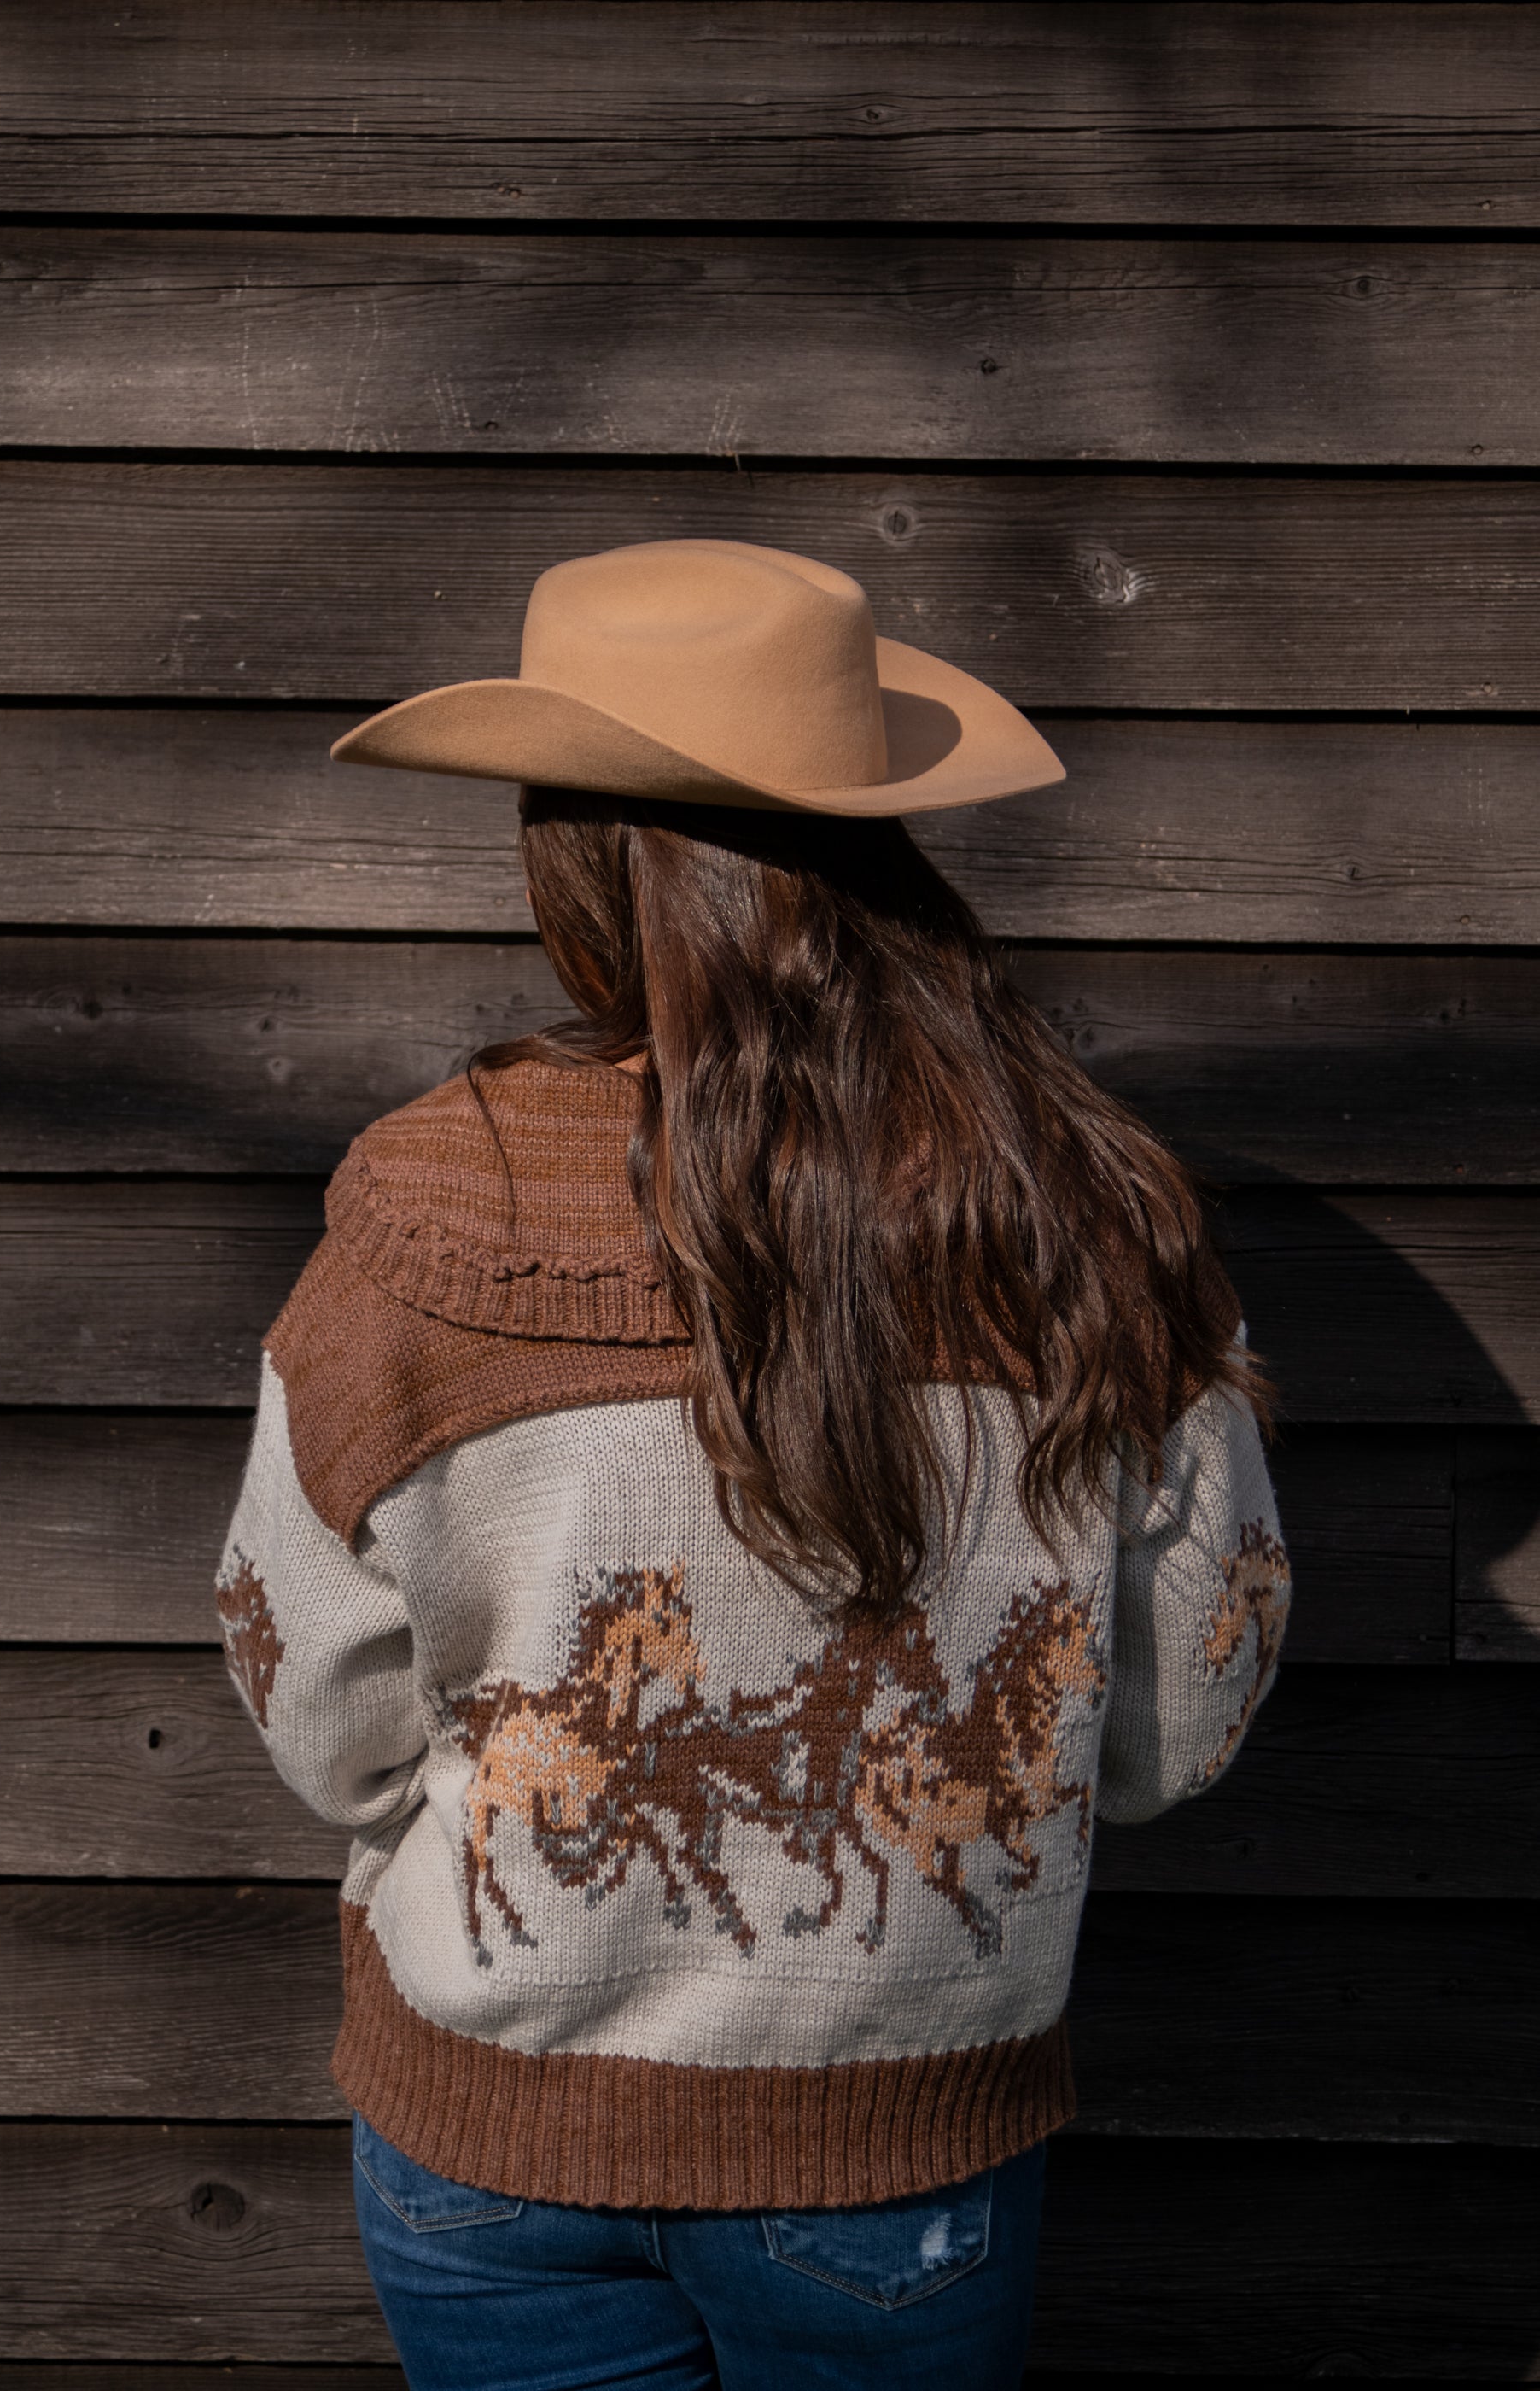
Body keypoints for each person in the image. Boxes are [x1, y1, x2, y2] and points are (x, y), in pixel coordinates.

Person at [214, 539, 1292, 2391]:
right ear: (883, 842)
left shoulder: (421, 1206)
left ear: (569, 858)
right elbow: (1178, 1722)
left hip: (493, 2146)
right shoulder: (1088, 1208)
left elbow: (317, 1714)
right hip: (892, 2158)